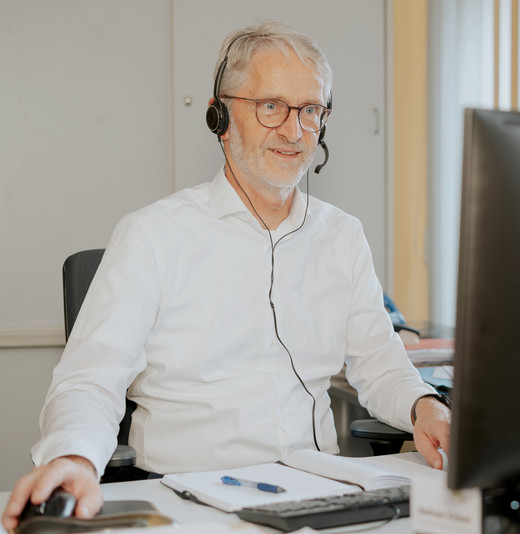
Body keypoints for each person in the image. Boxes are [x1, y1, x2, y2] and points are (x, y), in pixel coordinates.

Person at [2, 20, 451, 531]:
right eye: (270, 106)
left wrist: (425, 407)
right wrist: (74, 459)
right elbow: (89, 383)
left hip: (325, 496)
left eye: (310, 110)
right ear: (221, 115)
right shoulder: (153, 235)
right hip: (188, 499)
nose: (293, 130)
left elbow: (381, 365)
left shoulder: (342, 236)